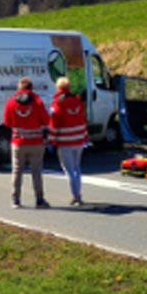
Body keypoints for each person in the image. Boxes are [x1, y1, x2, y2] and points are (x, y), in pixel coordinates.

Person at [3, 76, 50, 209]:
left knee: (17, 171)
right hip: (35, 141)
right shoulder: (37, 101)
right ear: (31, 88)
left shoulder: (11, 101)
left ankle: (15, 199)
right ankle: (39, 199)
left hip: (18, 141)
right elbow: (46, 120)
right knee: (36, 172)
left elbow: (7, 122)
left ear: (19, 88)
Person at [50, 77, 88, 206]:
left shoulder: (58, 102)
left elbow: (54, 122)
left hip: (65, 141)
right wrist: (85, 137)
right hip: (79, 139)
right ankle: (78, 194)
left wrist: (52, 140)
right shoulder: (77, 101)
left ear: (58, 88)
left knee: (69, 170)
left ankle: (76, 196)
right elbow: (83, 119)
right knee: (77, 167)